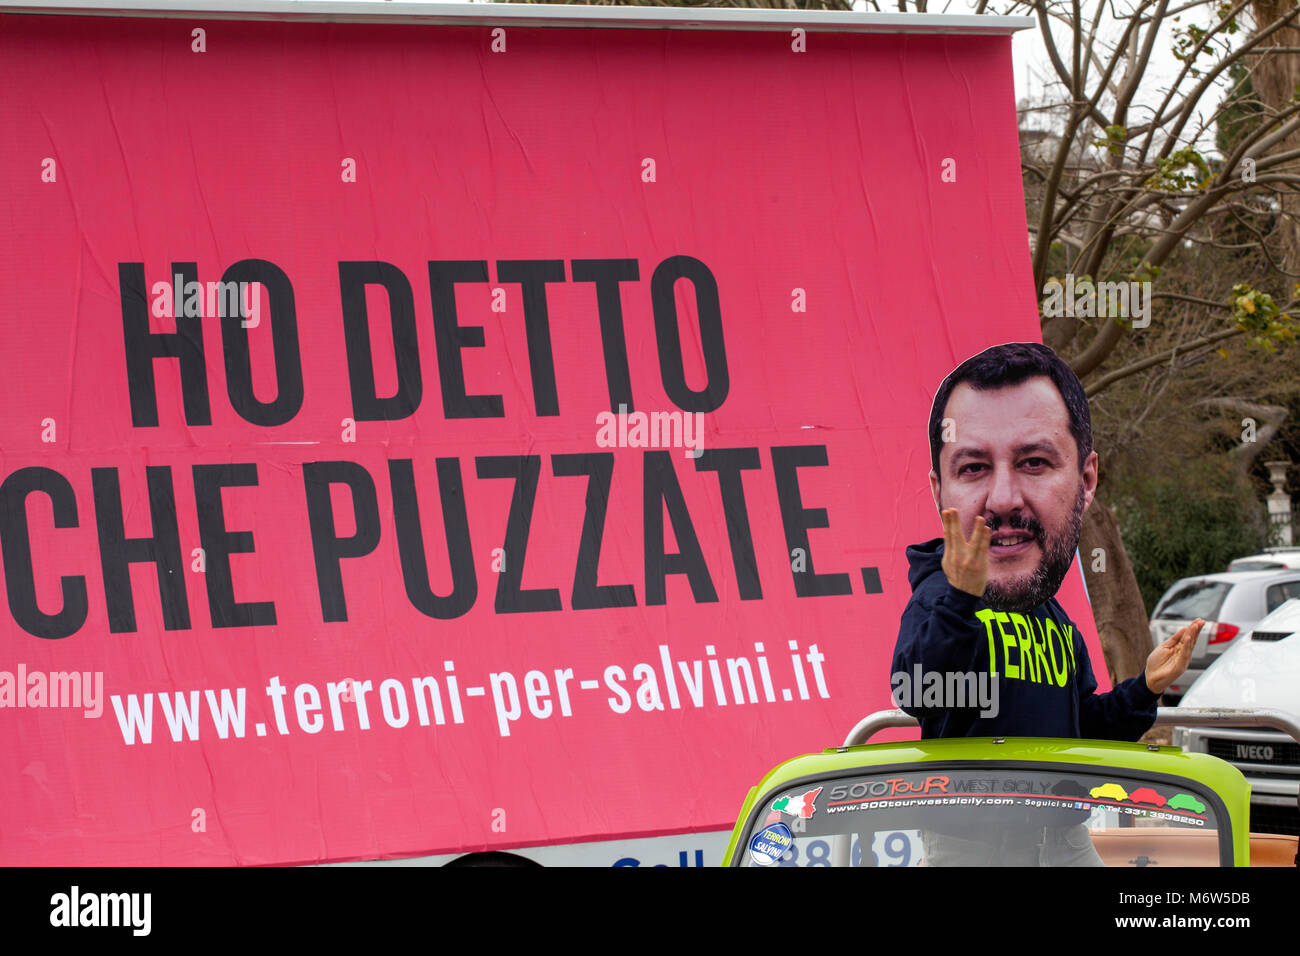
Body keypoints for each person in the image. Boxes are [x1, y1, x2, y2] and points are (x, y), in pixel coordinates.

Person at [890, 341, 1202, 865]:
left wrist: (1145, 687)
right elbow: (917, 690)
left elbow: (1085, 727)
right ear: (938, 490)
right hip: (967, 852)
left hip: (1067, 845)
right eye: (972, 468)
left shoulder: (1055, 619)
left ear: (1086, 480)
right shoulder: (938, 599)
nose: (1004, 499)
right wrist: (959, 600)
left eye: (1034, 462)